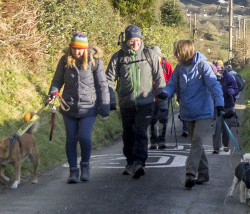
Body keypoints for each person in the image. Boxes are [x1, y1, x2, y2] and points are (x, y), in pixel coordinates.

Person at [161, 39, 224, 189]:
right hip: (187, 113)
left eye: (176, 51)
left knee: (196, 141)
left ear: (183, 52)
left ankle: (190, 174)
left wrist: (220, 103)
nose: (174, 54)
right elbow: (171, 85)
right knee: (197, 143)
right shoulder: (178, 68)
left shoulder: (203, 66)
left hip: (204, 112)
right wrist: (165, 93)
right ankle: (204, 174)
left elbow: (214, 85)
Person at [48, 32, 109, 183]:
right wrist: (52, 93)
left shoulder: (95, 62)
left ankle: (85, 166)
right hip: (69, 107)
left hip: (89, 107)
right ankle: (73, 171)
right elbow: (57, 81)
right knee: (71, 139)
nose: (76, 52)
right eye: (74, 49)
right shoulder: (64, 61)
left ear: (86, 48)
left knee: (84, 136)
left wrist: (104, 108)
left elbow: (102, 86)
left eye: (79, 49)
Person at [106, 25, 165, 179]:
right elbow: (109, 80)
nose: (135, 43)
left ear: (141, 39)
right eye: (131, 40)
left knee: (140, 131)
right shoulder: (118, 57)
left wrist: (162, 97)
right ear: (126, 41)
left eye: (137, 40)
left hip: (146, 102)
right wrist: (111, 100)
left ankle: (139, 162)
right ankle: (130, 161)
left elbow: (159, 76)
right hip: (126, 103)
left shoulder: (149, 54)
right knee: (128, 134)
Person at [149, 46, 173, 150]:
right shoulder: (148, 63)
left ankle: (161, 140)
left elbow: (171, 79)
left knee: (163, 118)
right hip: (150, 95)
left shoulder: (166, 64)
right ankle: (153, 141)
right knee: (152, 119)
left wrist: (169, 92)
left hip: (163, 94)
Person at [212, 63, 239, 154]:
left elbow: (236, 89)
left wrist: (233, 91)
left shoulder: (229, 78)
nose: (219, 71)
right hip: (217, 107)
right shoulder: (213, 78)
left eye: (220, 69)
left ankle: (226, 144)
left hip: (228, 107)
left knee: (226, 129)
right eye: (217, 69)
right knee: (217, 127)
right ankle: (216, 147)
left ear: (223, 69)